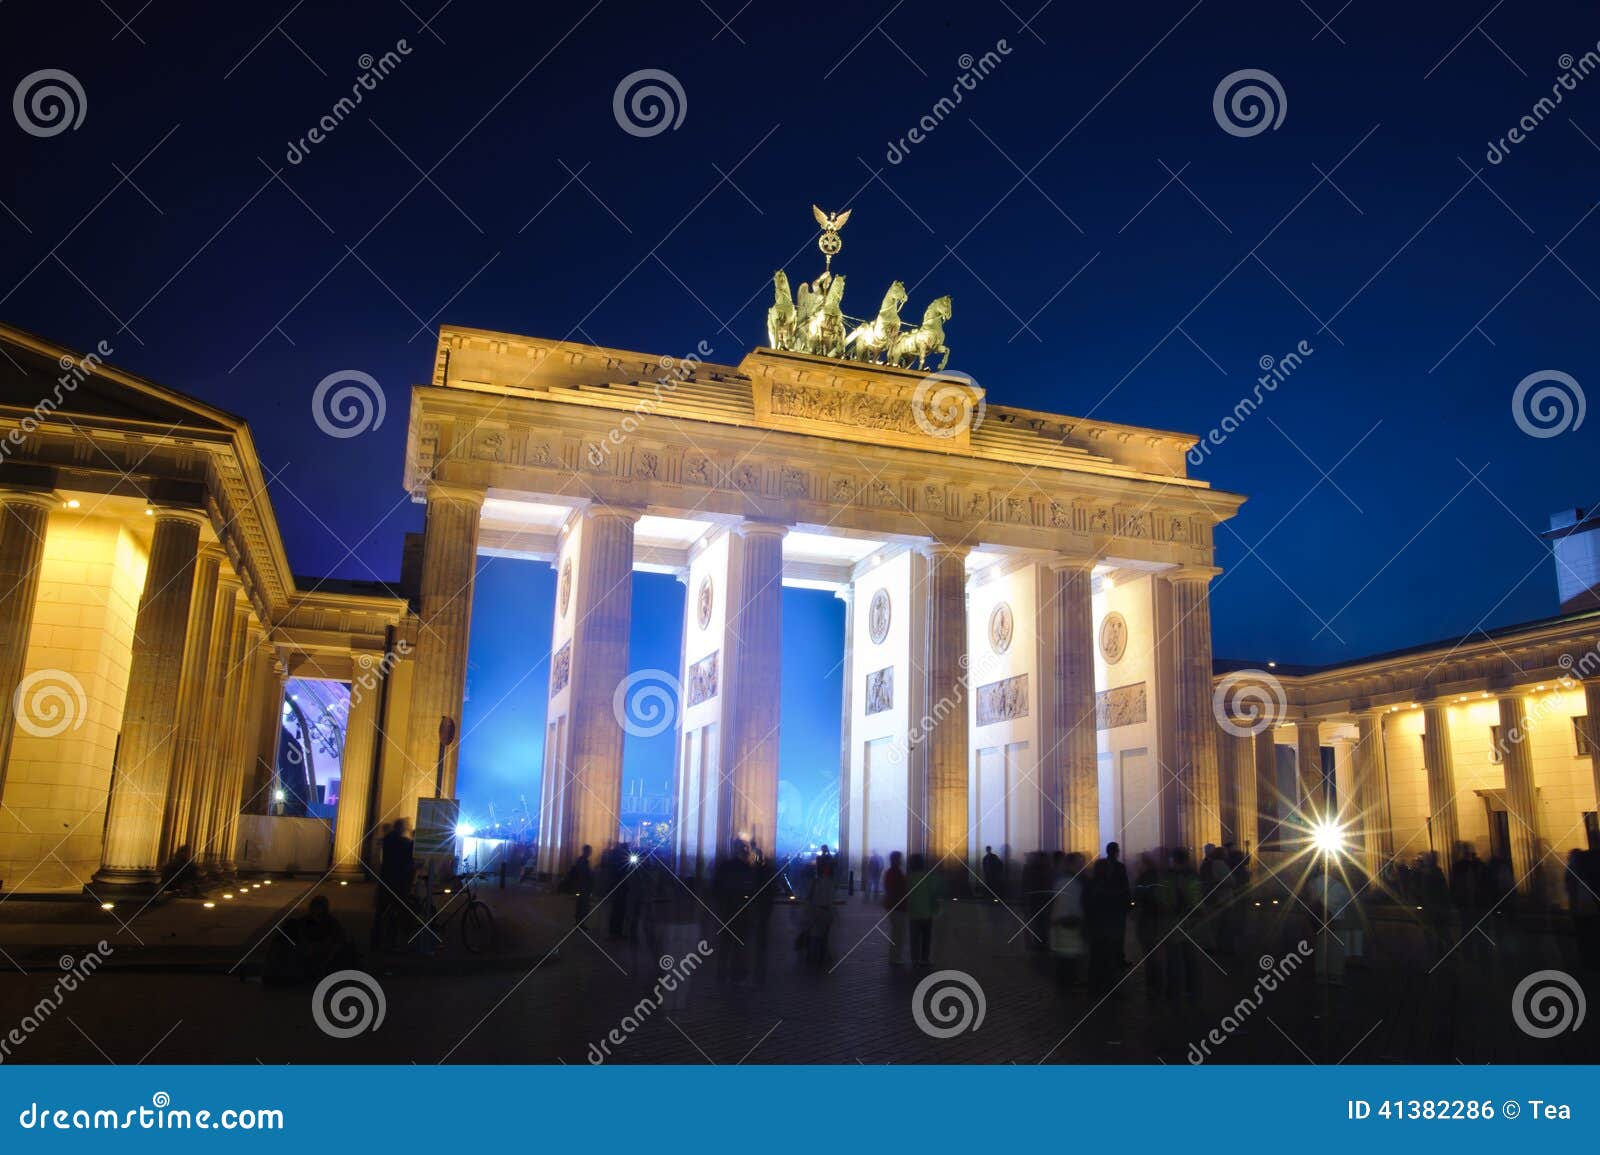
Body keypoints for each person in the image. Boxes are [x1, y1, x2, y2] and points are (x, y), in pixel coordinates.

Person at [1088, 841, 1131, 990]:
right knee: (1115, 935)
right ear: (1116, 851)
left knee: (1112, 937)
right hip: (1113, 907)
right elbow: (1124, 886)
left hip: (1108, 908)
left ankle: (1114, 959)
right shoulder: (1118, 867)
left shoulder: (1101, 867)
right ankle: (1113, 961)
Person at [370, 817, 415, 950]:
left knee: (380, 913)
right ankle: (391, 942)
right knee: (395, 914)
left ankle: (375, 941)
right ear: (401, 828)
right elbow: (409, 859)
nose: (408, 827)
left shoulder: (387, 840)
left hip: (385, 881)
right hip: (398, 883)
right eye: (407, 825)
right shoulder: (404, 842)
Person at [1051, 851, 1088, 986]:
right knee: (1068, 960)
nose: (1082, 866)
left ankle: (1066, 985)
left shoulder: (1063, 880)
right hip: (1069, 924)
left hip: (1065, 924)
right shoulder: (1071, 882)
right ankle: (1067, 985)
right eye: (1079, 864)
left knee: (1066, 959)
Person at [905, 854, 946, 966]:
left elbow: (906, 894)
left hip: (914, 913)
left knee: (914, 938)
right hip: (927, 912)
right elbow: (934, 893)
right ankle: (925, 958)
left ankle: (915, 959)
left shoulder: (909, 877)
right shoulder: (928, 876)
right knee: (926, 938)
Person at [803, 853, 838, 968]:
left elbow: (810, 896)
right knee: (821, 935)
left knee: (816, 934)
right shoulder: (825, 881)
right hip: (823, 910)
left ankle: (815, 955)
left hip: (818, 910)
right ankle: (820, 956)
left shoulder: (818, 881)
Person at [883, 850, 908, 965]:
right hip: (898, 906)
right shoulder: (897, 873)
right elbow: (900, 890)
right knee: (898, 934)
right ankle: (895, 957)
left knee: (896, 933)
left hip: (892, 905)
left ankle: (894, 956)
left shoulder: (890, 872)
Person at [561, 844, 594, 926]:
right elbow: (584, 875)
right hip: (582, 887)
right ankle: (580, 923)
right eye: (589, 851)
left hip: (581, 887)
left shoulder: (581, 860)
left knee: (581, 905)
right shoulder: (583, 861)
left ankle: (579, 922)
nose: (590, 852)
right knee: (583, 905)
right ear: (586, 851)